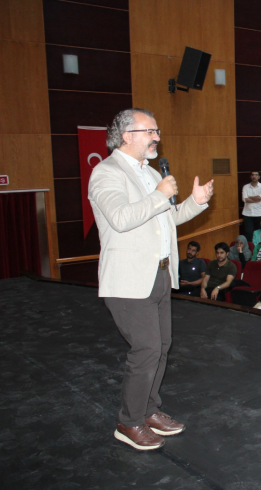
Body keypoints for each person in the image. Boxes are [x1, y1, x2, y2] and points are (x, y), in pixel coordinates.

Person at [89, 108, 213, 450]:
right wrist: (159, 194)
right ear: (127, 135)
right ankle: (128, 422)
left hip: (159, 273)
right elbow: (121, 218)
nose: (157, 137)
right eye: (150, 131)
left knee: (160, 347)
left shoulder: (147, 172)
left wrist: (195, 202)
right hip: (130, 279)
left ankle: (148, 410)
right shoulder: (107, 173)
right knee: (144, 350)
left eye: (157, 131)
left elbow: (167, 219)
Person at [241, 170, 261, 240]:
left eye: (256, 175)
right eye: (252, 175)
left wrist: (249, 197)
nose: (254, 176)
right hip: (248, 214)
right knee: (248, 233)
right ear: (250, 176)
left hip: (260, 213)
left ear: (259, 177)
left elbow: (260, 198)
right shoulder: (245, 187)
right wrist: (256, 198)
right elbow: (244, 199)